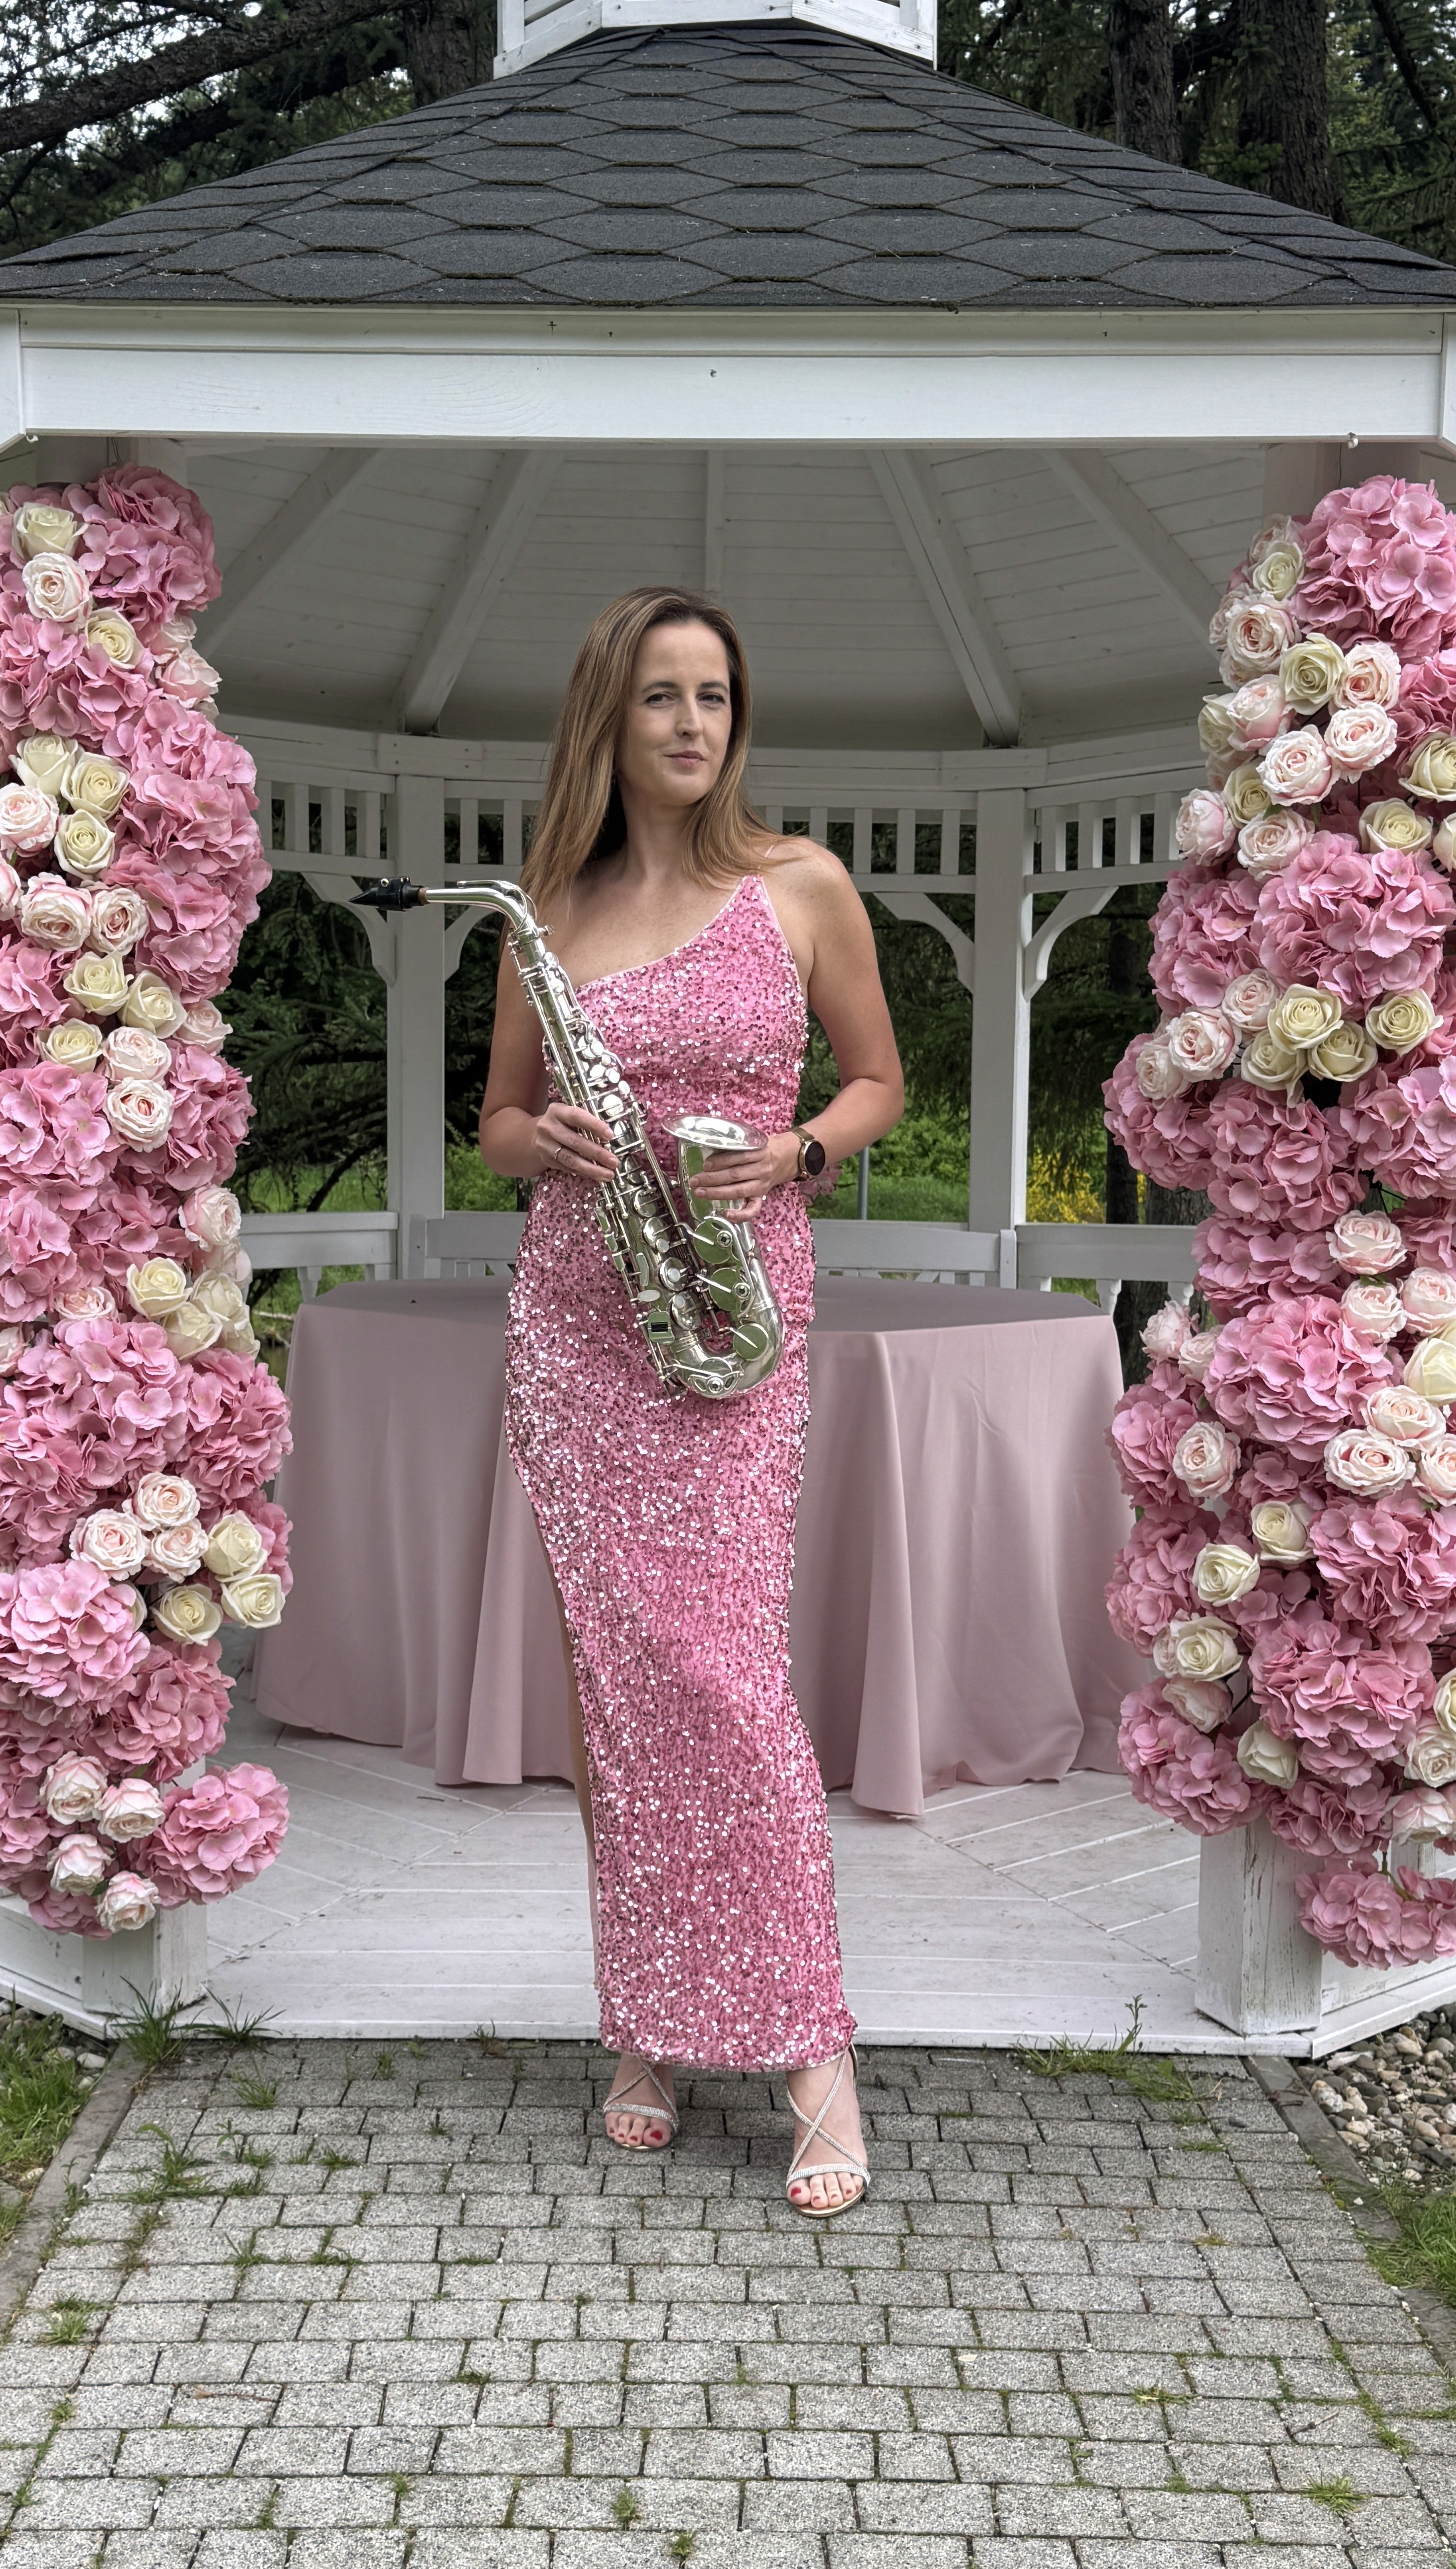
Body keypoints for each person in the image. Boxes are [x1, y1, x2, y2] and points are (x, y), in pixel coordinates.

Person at [480, 587, 905, 2215]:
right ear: (610, 714)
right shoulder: (546, 910)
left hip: (735, 1320)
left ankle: (809, 2050)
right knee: (619, 1686)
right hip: (580, 1324)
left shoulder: (800, 886)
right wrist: (546, 1148)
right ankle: (648, 2023)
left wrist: (795, 1152)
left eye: (713, 693)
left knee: (721, 1679)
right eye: (658, 695)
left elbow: (873, 1080)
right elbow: (499, 1119)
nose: (689, 723)